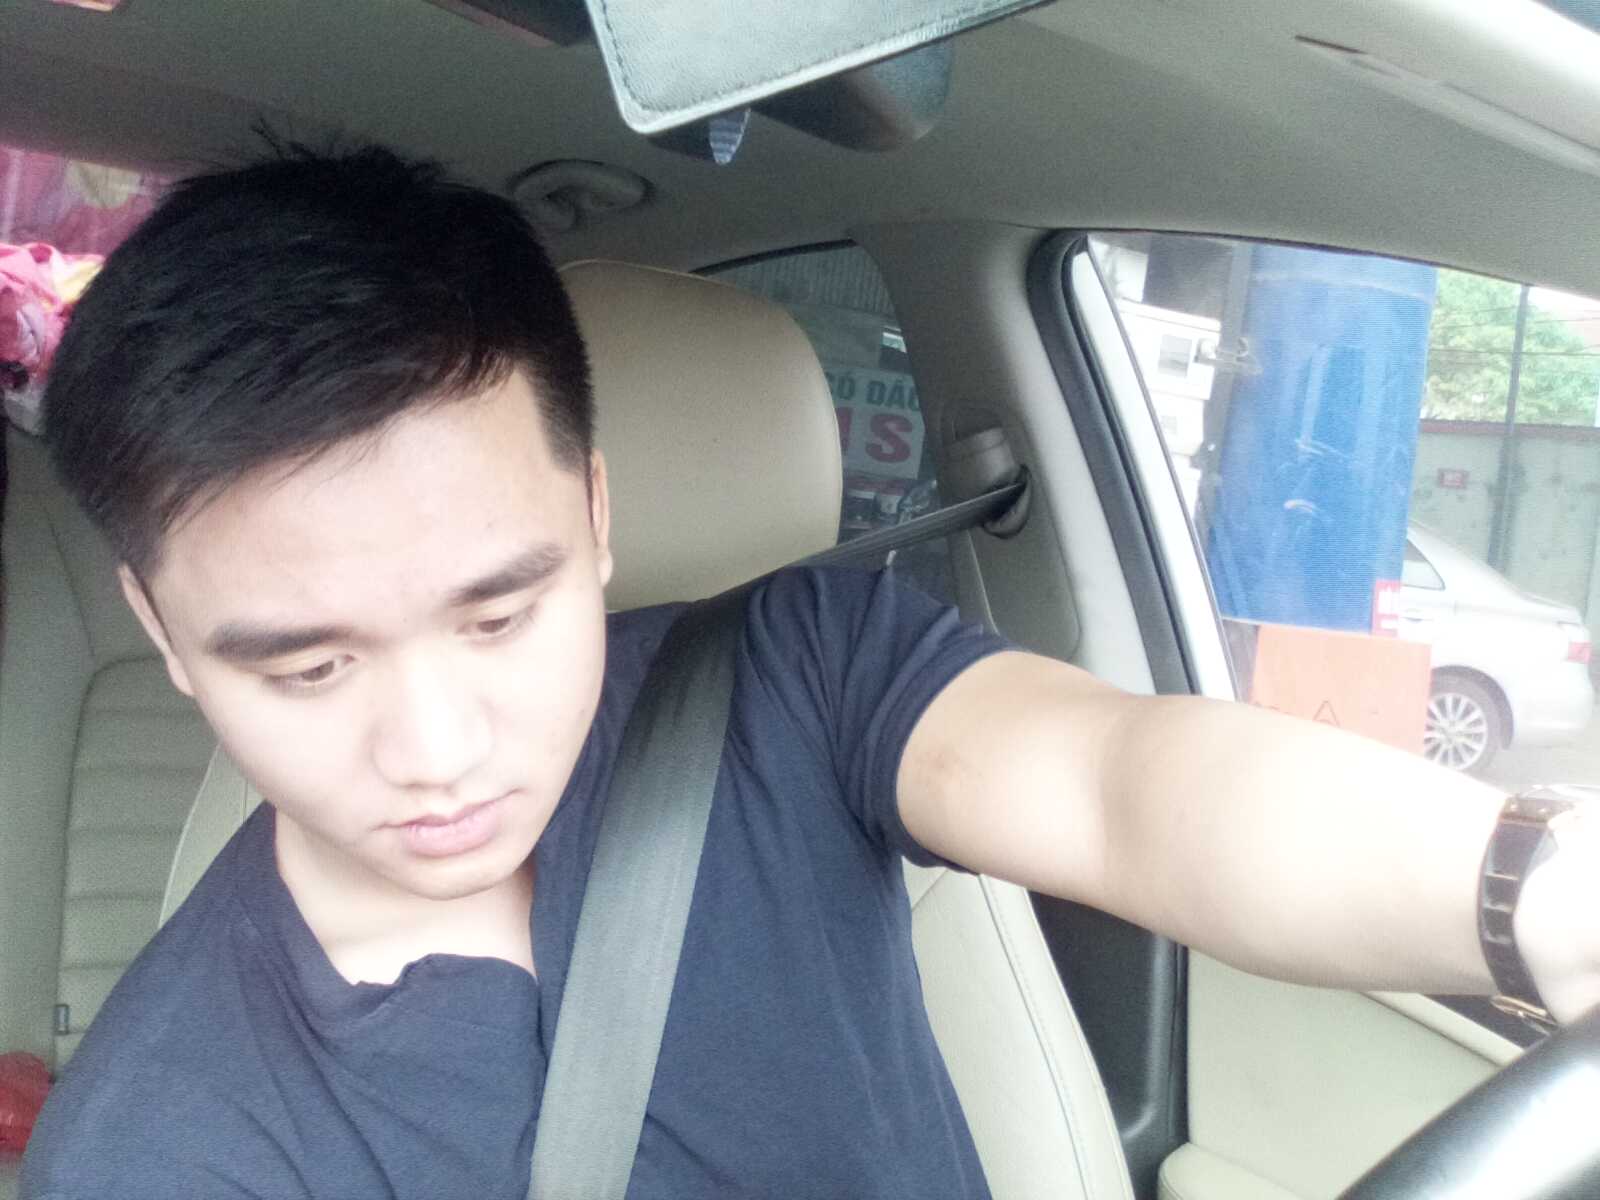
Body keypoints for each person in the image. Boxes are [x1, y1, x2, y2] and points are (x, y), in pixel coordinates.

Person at [17, 144, 1599, 1199]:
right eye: (307, 670)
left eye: (499, 618)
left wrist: (1529, 888)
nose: (435, 749)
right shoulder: (167, 1144)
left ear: (596, 517)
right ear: (165, 632)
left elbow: (1131, 785)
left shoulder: (787, 680)